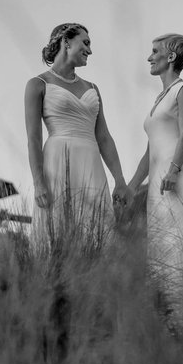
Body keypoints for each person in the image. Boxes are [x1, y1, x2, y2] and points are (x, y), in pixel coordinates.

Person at [24, 23, 131, 247]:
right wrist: (39, 183)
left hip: (91, 164)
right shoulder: (38, 84)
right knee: (58, 233)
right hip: (57, 162)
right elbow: (33, 139)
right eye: (86, 43)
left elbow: (104, 137)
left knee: (98, 232)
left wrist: (120, 180)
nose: (90, 51)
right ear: (67, 42)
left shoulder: (93, 87)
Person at [125, 33, 183, 324]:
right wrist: (132, 185)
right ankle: (166, 315)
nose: (149, 57)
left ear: (170, 57)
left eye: (155, 51)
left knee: (178, 240)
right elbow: (150, 151)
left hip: (175, 175)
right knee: (159, 243)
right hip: (157, 179)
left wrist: (173, 170)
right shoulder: (159, 98)